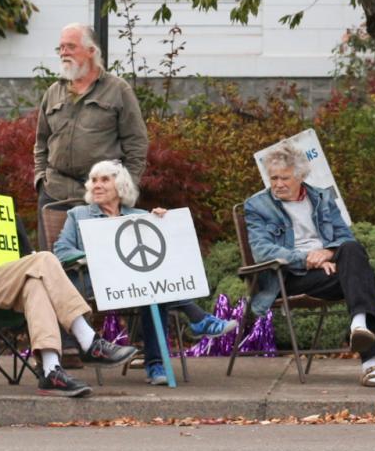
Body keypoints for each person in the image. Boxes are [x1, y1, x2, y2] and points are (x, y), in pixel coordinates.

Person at [0, 152, 137, 397]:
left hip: (10, 285)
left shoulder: (5, 217)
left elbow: (26, 259)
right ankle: (88, 340)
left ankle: (50, 370)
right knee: (44, 259)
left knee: (35, 282)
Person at [53, 160, 237, 385]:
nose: (96, 185)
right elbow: (62, 251)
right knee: (151, 286)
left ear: (120, 186)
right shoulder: (78, 214)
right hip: (96, 283)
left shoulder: (139, 215)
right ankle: (194, 324)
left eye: (104, 180)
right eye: (93, 180)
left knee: (153, 289)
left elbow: (160, 257)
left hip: (136, 283)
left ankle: (158, 364)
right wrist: (97, 257)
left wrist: (162, 222)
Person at [244, 141, 375, 387]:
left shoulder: (321, 198)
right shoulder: (257, 205)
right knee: (362, 276)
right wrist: (307, 259)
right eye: (273, 178)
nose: (278, 184)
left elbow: (344, 236)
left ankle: (359, 325)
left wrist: (327, 252)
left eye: (285, 178)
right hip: (287, 277)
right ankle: (370, 361)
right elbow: (263, 251)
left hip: (328, 270)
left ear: (301, 176)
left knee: (352, 250)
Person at [33, 23, 148, 208]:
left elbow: (136, 143)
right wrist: (40, 180)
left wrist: (126, 187)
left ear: (91, 51)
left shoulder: (118, 89)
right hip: (54, 193)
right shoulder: (53, 91)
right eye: (61, 47)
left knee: (99, 239)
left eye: (71, 46)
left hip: (102, 195)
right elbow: (41, 142)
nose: (64, 52)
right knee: (56, 239)